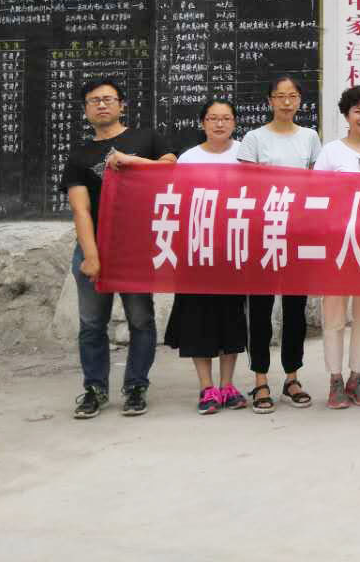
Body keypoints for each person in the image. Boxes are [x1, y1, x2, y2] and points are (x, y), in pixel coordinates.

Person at [61, 78, 176, 419]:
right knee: (91, 323)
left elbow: (172, 168)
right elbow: (81, 209)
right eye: (94, 100)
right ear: (86, 109)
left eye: (108, 99)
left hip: (136, 248)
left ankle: (136, 386)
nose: (101, 104)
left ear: (121, 105)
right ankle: (94, 389)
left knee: (140, 319)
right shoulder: (79, 155)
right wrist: (91, 256)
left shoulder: (146, 138)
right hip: (94, 247)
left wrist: (133, 161)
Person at [237, 75, 321, 413]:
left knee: (295, 308)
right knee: (259, 308)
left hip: (298, 232)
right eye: (279, 96)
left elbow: (316, 184)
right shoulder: (254, 138)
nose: (286, 102)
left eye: (292, 96)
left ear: (300, 100)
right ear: (269, 100)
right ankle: (260, 379)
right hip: (262, 231)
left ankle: (292, 377)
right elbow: (244, 187)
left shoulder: (310, 137)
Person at [164, 99, 249, 415]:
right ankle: (206, 387)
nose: (219, 124)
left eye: (226, 118)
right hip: (197, 248)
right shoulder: (189, 158)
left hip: (233, 247)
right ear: (203, 123)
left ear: (234, 122)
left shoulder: (245, 154)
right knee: (197, 317)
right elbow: (177, 201)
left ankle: (227, 385)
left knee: (231, 317)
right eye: (213, 118)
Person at [312, 85, 360, 409]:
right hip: (337, 244)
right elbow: (315, 195)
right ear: (346, 115)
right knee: (333, 316)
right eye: (357, 111)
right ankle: (335, 380)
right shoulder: (331, 152)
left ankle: (356, 378)